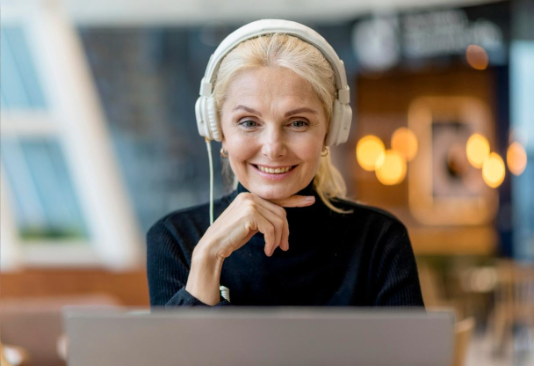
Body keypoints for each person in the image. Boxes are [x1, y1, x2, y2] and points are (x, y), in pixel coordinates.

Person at [147, 19, 424, 307]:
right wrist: (207, 259)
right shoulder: (176, 240)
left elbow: (415, 354)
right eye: (249, 122)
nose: (273, 148)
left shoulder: (379, 241)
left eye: (298, 122)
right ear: (219, 133)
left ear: (330, 131)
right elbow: (178, 354)